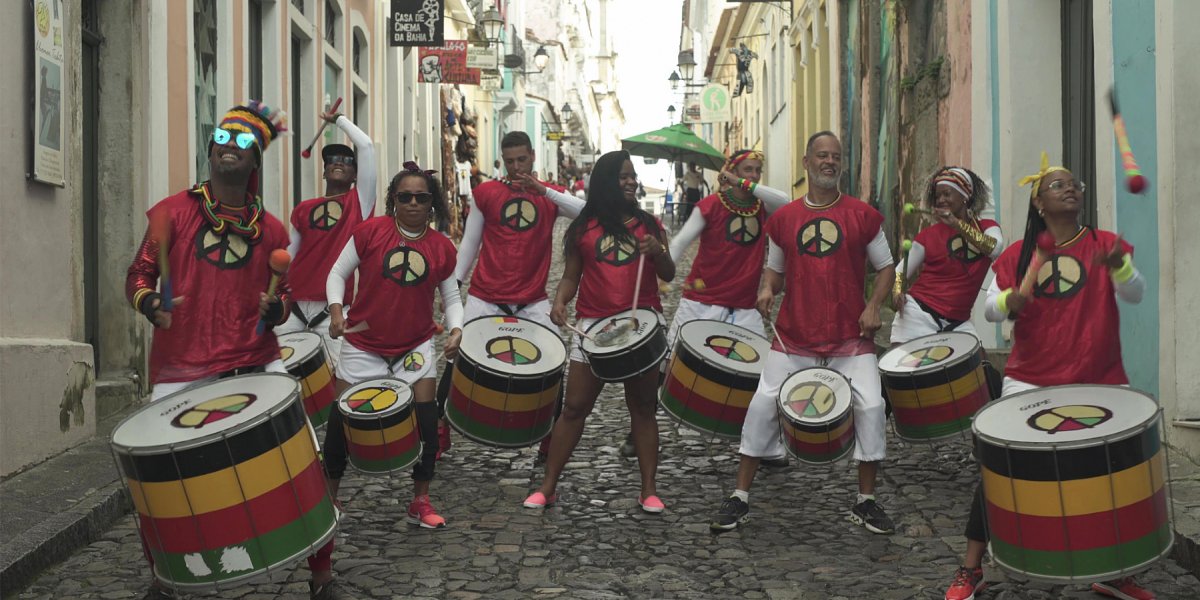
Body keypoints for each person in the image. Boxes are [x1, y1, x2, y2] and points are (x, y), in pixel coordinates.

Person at [126, 102, 343, 600]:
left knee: (302, 463)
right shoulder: (171, 213)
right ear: (210, 149)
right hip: (182, 367)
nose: (231, 146)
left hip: (257, 360)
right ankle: (164, 577)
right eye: (223, 137)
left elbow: (283, 298)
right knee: (157, 482)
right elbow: (138, 275)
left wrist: (276, 312)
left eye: (244, 142)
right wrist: (150, 304)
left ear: (255, 161)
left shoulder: (271, 230)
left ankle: (321, 571)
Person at [942, 153, 1149, 600]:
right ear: (1039, 203)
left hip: (1101, 377)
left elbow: (1136, 294)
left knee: (1112, 472)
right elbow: (991, 308)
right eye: (1057, 185)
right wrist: (1010, 302)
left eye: (1074, 183)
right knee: (1002, 469)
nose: (1070, 188)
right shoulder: (1019, 254)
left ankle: (1117, 572)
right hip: (1031, 378)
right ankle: (971, 568)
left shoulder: (1105, 243)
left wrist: (1122, 267)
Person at [708, 131, 897, 535]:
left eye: (836, 156)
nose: (830, 162)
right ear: (806, 163)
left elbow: (885, 267)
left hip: (851, 336)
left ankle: (866, 502)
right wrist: (766, 289)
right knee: (762, 404)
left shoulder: (864, 216)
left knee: (872, 406)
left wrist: (873, 305)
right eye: (822, 156)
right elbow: (775, 270)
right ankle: (739, 496)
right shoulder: (784, 219)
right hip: (794, 335)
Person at [524, 150, 676, 513]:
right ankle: (548, 486)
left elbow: (669, 274)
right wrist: (560, 302)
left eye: (633, 176)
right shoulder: (584, 228)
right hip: (594, 327)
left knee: (642, 408)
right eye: (623, 176)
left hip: (640, 325)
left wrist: (658, 251)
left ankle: (649, 489)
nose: (631, 181)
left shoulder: (649, 225)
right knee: (574, 408)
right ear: (607, 181)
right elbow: (571, 276)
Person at [616, 150, 789, 460]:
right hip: (701, 302)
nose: (753, 175)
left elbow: (787, 202)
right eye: (747, 169)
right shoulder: (709, 206)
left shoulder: (765, 208)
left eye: (757, 171)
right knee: (666, 367)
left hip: (744, 306)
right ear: (732, 170)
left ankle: (765, 445)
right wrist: (661, 275)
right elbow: (681, 241)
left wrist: (743, 184)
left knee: (761, 374)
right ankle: (637, 430)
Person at [321, 162, 463, 531]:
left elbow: (451, 296)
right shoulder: (369, 233)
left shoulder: (442, 247)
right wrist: (337, 312)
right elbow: (337, 273)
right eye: (405, 197)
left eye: (421, 197)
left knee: (426, 420)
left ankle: (420, 499)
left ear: (432, 203)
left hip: (414, 346)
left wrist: (457, 328)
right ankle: (328, 497)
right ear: (393, 201)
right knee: (340, 420)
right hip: (363, 343)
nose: (413, 203)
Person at [442, 131, 585, 461]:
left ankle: (549, 435)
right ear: (502, 161)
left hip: (532, 299)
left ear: (533, 156)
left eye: (522, 160)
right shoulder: (486, 193)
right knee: (457, 357)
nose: (516, 167)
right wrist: (454, 289)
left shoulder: (550, 197)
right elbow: (469, 245)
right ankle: (441, 428)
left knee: (553, 362)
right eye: (510, 162)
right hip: (485, 295)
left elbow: (588, 211)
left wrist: (544, 191)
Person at [277, 110, 376, 364]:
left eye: (346, 160)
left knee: (336, 378)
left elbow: (365, 146)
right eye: (332, 159)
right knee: (279, 374)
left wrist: (339, 120)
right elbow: (290, 255)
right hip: (294, 309)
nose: (338, 162)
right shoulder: (303, 208)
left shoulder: (359, 203)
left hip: (332, 311)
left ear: (356, 175)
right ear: (323, 173)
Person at [890, 167, 1003, 344]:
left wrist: (957, 224)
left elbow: (994, 249)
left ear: (965, 196)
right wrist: (897, 291)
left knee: (982, 369)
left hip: (958, 322)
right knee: (903, 369)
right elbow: (899, 271)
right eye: (937, 196)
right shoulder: (928, 235)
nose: (941, 200)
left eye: (947, 194)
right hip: (918, 315)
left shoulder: (988, 227)